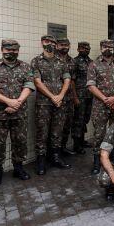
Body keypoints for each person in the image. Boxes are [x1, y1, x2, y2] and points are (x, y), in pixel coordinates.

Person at [0, 39, 34, 186]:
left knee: (20, 142)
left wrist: (17, 102)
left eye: (14, 50)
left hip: (19, 113)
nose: (11, 52)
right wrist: (9, 102)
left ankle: (18, 168)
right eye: (8, 50)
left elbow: (29, 85)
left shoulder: (25, 67)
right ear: (2, 50)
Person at [86, 39, 114, 175]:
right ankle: (97, 161)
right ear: (101, 48)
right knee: (99, 134)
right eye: (105, 47)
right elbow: (91, 86)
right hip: (100, 106)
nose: (108, 49)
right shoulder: (93, 65)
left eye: (111, 47)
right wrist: (106, 99)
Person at [31, 35, 72, 174]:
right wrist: (52, 96)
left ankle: (55, 157)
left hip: (60, 102)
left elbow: (67, 80)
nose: (50, 44)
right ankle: (41, 162)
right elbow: (37, 82)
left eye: (53, 42)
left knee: (57, 131)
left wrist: (60, 96)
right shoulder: (36, 61)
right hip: (43, 103)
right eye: (47, 42)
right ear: (42, 43)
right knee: (42, 132)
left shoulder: (62, 61)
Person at [56, 38, 78, 157]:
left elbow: (73, 81)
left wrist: (75, 97)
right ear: (57, 46)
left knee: (67, 124)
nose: (64, 47)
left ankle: (62, 148)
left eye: (66, 45)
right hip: (56, 98)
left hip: (69, 98)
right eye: (61, 45)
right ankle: (54, 152)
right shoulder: (52, 59)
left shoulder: (72, 61)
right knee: (55, 127)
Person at [71, 41, 93, 154]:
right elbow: (72, 81)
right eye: (83, 48)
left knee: (85, 118)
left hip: (89, 95)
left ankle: (82, 140)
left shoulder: (91, 62)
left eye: (88, 48)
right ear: (78, 49)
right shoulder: (75, 61)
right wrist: (75, 97)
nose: (86, 50)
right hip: (79, 95)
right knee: (78, 120)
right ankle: (76, 145)